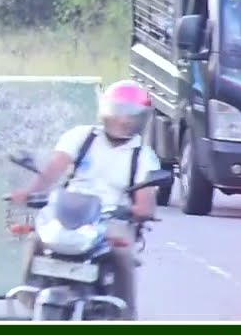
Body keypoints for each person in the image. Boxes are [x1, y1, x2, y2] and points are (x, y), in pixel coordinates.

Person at [9, 79, 161, 319]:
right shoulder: (81, 136)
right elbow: (53, 170)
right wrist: (31, 192)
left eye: (131, 116)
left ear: (141, 119)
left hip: (111, 218)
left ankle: (124, 313)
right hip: (69, 212)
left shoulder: (143, 156)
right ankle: (29, 295)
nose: (124, 120)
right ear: (107, 110)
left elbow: (145, 198)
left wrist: (140, 210)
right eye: (120, 112)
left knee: (122, 253)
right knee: (35, 239)